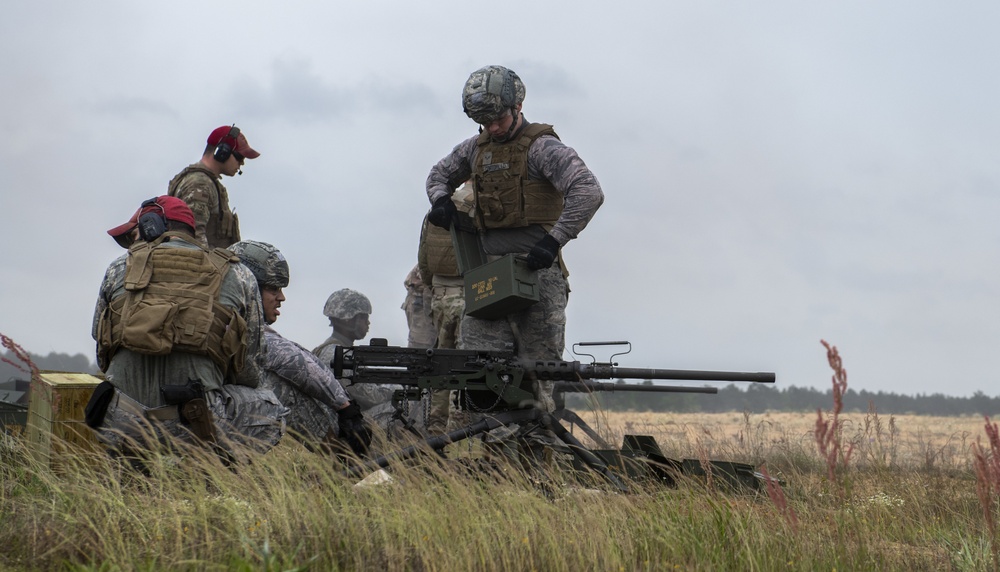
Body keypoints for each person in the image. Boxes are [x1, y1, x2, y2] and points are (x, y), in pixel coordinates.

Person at [424, 65, 604, 414]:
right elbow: (438, 174)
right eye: (484, 122)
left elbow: (588, 190)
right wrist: (441, 200)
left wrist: (554, 241)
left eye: (498, 120)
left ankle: (536, 453)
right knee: (481, 372)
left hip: (538, 275)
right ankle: (493, 458)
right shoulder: (475, 149)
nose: (492, 128)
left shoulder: (543, 149)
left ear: (517, 107)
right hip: (489, 277)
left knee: (537, 374)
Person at [91, 196, 285, 463]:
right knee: (271, 408)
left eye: (135, 233)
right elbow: (249, 365)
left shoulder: (116, 268)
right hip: (195, 424)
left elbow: (102, 352)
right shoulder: (238, 274)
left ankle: (132, 466)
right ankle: (212, 476)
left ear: (152, 226)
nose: (133, 242)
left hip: (123, 422)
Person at [227, 240, 371, 457]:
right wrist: (346, 409)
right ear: (249, 286)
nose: (281, 298)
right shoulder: (244, 329)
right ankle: (347, 465)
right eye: (273, 289)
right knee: (284, 388)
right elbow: (294, 362)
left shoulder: (222, 319)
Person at [414, 183, 474, 434]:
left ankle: (436, 429)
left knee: (441, 364)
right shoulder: (479, 202)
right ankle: (458, 431)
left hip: (440, 295)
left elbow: (423, 260)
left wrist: (435, 287)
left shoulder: (438, 207)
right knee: (466, 369)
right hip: (470, 294)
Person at [312, 289, 400, 436]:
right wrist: (399, 388)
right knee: (402, 405)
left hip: (338, 422)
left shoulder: (330, 349)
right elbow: (371, 397)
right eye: (364, 318)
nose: (368, 322)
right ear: (348, 319)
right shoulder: (338, 354)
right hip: (342, 427)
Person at [167, 125, 260, 248]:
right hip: (203, 264)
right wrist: (208, 266)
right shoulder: (200, 184)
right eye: (239, 157)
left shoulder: (207, 182)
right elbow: (193, 237)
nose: (242, 163)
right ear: (222, 152)